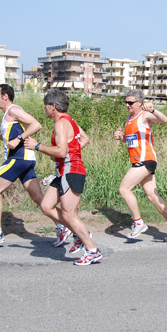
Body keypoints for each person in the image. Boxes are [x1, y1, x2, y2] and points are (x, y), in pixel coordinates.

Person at [0, 84, 71, 247]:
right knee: (39, 198)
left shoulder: (13, 109)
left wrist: (19, 139)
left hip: (19, 158)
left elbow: (36, 124)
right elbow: (10, 140)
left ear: (5, 96)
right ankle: (65, 227)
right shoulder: (8, 113)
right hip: (24, 159)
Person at [24, 89, 102, 266]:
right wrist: (70, 152)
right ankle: (78, 233)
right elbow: (85, 139)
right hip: (64, 170)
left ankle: (92, 250)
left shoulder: (60, 123)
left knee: (69, 214)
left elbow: (60, 150)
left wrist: (37, 146)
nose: (45, 109)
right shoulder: (70, 120)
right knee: (46, 206)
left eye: (46, 106)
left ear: (53, 106)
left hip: (71, 170)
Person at [113, 89, 167, 241]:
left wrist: (154, 110)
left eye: (130, 102)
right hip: (137, 160)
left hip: (146, 159)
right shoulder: (128, 118)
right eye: (126, 102)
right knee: (152, 195)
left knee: (124, 189)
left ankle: (139, 223)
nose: (127, 105)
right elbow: (132, 139)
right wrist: (121, 138)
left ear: (139, 103)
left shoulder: (145, 115)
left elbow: (164, 120)